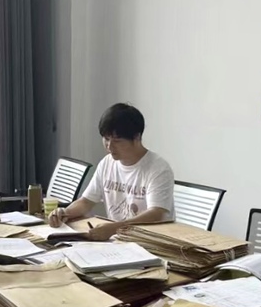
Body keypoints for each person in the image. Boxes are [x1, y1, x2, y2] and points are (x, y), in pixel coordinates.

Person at [49, 103, 174, 241]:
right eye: (106, 139)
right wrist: (64, 212)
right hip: (118, 240)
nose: (109, 146)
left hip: (151, 242)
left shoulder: (158, 169)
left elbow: (156, 214)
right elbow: (86, 202)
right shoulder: (107, 163)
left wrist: (115, 228)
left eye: (117, 141)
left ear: (137, 137)